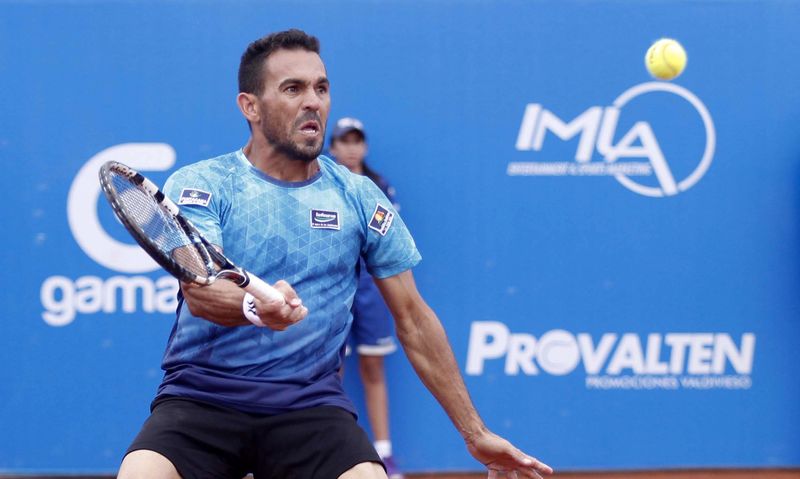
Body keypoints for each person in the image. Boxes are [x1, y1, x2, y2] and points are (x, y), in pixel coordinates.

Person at [118, 29, 553, 479]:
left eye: (321, 88)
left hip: (309, 407)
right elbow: (202, 293)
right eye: (293, 89)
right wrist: (255, 306)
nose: (314, 102)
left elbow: (414, 319)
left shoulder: (359, 196)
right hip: (201, 400)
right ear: (250, 106)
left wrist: (474, 432)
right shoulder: (205, 184)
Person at [329, 117, 404, 478]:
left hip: (371, 291)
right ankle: (333, 452)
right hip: (333, 288)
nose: (351, 147)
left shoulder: (379, 187)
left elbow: (388, 246)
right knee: (332, 372)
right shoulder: (321, 184)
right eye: (344, 141)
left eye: (357, 140)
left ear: (365, 146)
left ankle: (385, 455)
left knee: (374, 368)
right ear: (333, 147)